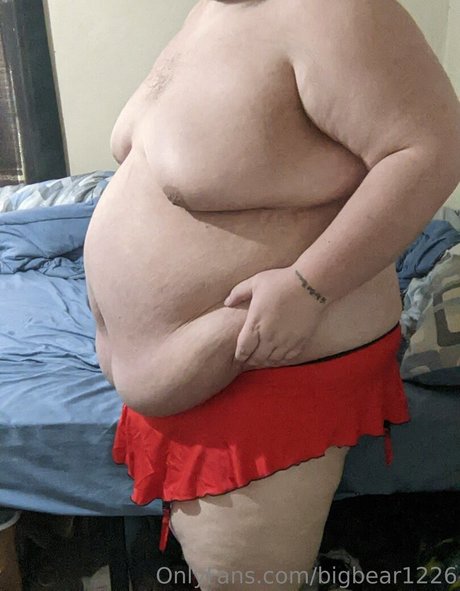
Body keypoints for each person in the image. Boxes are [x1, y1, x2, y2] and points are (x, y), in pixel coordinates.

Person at [84, 1, 460, 589]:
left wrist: (310, 287)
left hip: (268, 370)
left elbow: (432, 148)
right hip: (191, 376)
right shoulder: (208, 13)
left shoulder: (335, 9)